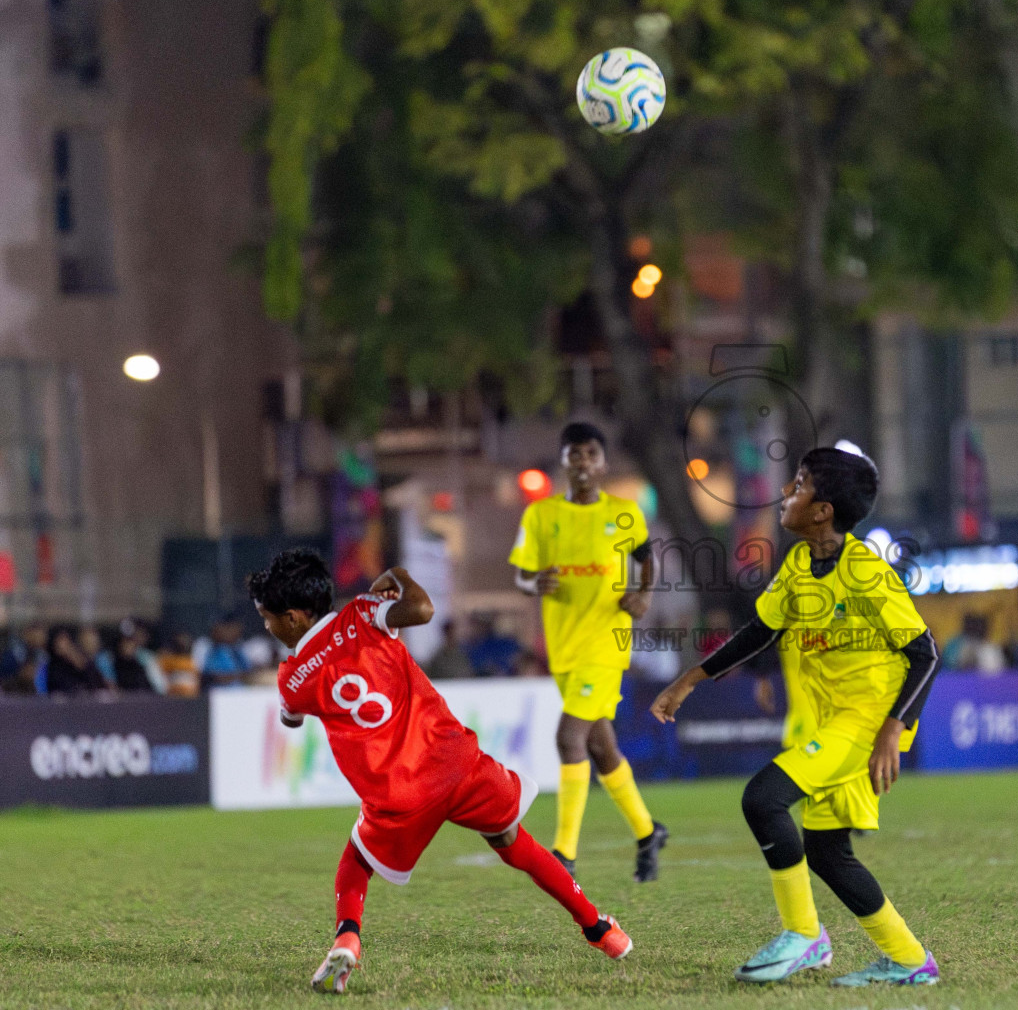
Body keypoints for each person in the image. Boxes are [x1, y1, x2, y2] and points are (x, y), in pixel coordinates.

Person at [248, 548, 632, 995]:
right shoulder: (362, 613)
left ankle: (347, 937)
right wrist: (396, 575)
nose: (268, 627)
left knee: (355, 862)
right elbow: (423, 609)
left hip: (399, 792)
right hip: (455, 762)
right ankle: (599, 928)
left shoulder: (292, 676)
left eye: (267, 618)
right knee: (513, 841)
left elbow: (291, 718)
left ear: (293, 618)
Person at [651, 448, 941, 988]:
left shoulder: (866, 573)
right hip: (835, 720)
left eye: (800, 484)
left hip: (867, 722)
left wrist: (891, 731)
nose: (786, 492)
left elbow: (925, 652)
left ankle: (804, 935)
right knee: (828, 852)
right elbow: (759, 632)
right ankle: (908, 959)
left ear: (823, 509)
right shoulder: (800, 564)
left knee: (762, 799)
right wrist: (689, 680)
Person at [509, 422, 666, 882]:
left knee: (568, 738)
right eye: (574, 454)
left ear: (603, 462)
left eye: (591, 453)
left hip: (606, 643)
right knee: (600, 747)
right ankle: (646, 831)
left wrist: (644, 596)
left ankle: (563, 854)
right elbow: (520, 576)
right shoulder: (540, 516)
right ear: (562, 461)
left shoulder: (624, 512)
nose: (582, 462)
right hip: (563, 649)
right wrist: (532, 583)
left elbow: (646, 560)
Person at [43, 626, 110, 695]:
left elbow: (96, 682)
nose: (64, 644)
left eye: (66, 640)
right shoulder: (53, 666)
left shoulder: (80, 659)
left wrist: (76, 659)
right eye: (60, 641)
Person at [196, 614, 251, 689]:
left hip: (240, 693)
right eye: (231, 629)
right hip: (215, 693)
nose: (236, 633)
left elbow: (248, 672)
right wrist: (239, 676)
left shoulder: (238, 648)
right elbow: (209, 676)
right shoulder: (205, 645)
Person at [112, 620, 165, 693]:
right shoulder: (113, 663)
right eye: (125, 643)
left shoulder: (140, 666)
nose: (127, 647)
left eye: (130, 643)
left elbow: (152, 687)